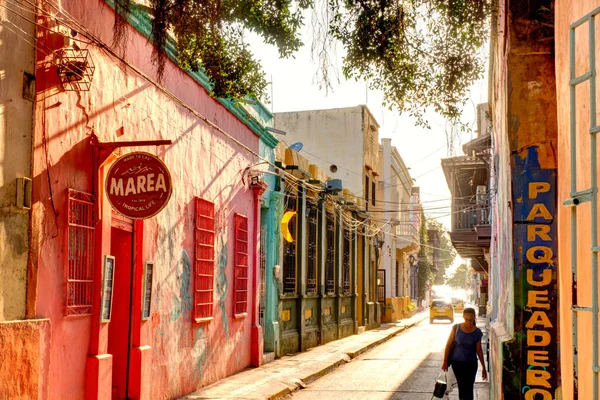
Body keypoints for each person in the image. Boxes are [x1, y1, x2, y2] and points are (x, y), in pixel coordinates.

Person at [442, 307, 487, 400]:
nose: (469, 322)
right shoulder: (456, 328)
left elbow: (479, 350)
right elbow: (448, 345)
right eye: (466, 320)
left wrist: (483, 367)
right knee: (462, 387)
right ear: (463, 317)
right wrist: (445, 361)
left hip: (471, 364)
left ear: (474, 318)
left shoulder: (477, 332)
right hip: (457, 363)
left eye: (471, 320)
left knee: (469, 387)